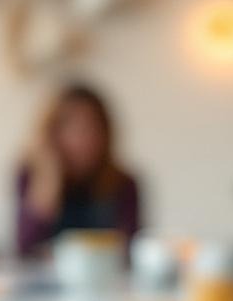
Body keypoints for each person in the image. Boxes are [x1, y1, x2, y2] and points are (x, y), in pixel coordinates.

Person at [15, 82, 141, 258]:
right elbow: (24, 249)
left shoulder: (124, 184)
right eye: (73, 127)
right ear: (52, 131)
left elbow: (131, 250)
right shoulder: (30, 175)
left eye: (92, 126)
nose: (84, 137)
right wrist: (49, 180)